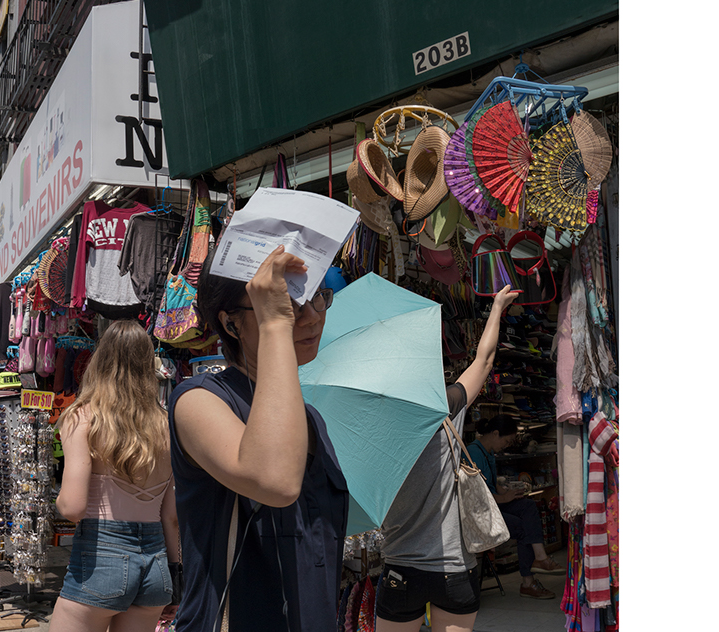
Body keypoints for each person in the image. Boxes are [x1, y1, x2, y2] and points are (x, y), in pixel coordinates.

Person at [166, 246, 350, 631]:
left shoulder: (310, 419)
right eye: (289, 305)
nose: (313, 316)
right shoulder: (198, 400)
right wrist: (274, 325)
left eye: (317, 295)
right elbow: (275, 480)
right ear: (232, 324)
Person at [376, 285, 538, 632]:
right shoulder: (445, 408)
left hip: (400, 567)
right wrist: (496, 308)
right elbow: (485, 359)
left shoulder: (372, 427)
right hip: (453, 566)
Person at [50, 320, 180, 632]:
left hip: (101, 557)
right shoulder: (166, 425)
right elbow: (171, 516)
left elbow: (72, 506)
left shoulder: (83, 418)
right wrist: (176, 575)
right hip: (156, 565)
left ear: (100, 359)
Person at [468, 417, 565, 600]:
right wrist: (503, 497)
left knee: (528, 506)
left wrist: (506, 490)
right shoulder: (474, 453)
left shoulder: (487, 453)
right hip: (481, 512)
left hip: (493, 504)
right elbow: (475, 495)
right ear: (495, 433)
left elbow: (491, 484)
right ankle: (529, 582)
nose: (507, 445)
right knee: (522, 528)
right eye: (506, 441)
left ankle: (540, 556)